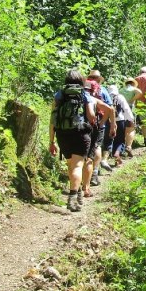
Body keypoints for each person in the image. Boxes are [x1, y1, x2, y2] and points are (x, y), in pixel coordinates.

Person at [48, 69, 95, 212]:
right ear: (81, 80)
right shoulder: (84, 95)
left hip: (62, 134)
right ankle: (72, 198)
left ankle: (78, 193)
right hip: (80, 134)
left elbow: (52, 120)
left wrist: (51, 141)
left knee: (71, 165)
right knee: (77, 166)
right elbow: (91, 116)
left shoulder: (59, 95)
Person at [83, 69, 114, 197]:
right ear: (99, 79)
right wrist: (108, 123)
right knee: (96, 147)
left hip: (82, 123)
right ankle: (94, 173)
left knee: (84, 150)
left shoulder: (83, 88)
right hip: (98, 123)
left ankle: (82, 176)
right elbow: (110, 108)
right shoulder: (102, 90)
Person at [108, 85, 135, 165]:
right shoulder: (120, 97)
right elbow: (126, 109)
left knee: (112, 140)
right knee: (120, 140)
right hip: (120, 121)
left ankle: (116, 157)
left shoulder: (106, 97)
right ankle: (118, 153)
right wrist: (131, 119)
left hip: (109, 122)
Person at [119, 76, 144, 154]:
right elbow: (140, 92)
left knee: (123, 128)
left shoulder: (121, 90)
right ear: (133, 83)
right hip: (130, 109)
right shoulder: (133, 88)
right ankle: (129, 146)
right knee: (131, 128)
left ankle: (121, 148)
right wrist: (133, 99)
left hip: (121, 109)